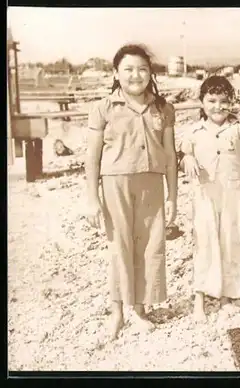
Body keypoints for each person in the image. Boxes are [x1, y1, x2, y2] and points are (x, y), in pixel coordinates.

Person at [85, 44, 178, 340]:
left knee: (150, 247)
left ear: (150, 73)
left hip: (152, 182)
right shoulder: (103, 108)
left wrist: (173, 195)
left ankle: (140, 310)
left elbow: (171, 155)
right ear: (116, 73)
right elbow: (92, 157)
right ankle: (117, 313)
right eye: (128, 69)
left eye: (142, 69)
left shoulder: (164, 108)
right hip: (115, 183)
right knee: (120, 246)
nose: (135, 75)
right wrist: (92, 199)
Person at [178, 75, 240, 321]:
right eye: (211, 100)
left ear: (231, 102)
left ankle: (227, 294)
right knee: (204, 242)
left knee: (230, 239)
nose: (217, 106)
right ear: (201, 102)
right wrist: (188, 158)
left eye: (223, 101)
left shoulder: (236, 126)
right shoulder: (193, 130)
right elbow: (183, 154)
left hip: (232, 192)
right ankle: (200, 298)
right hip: (204, 193)